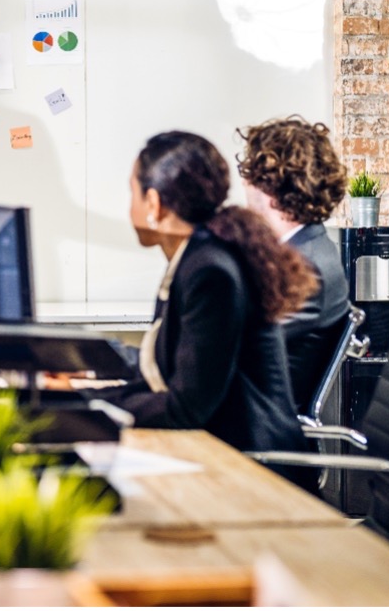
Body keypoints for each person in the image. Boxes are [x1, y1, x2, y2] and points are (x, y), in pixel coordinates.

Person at [97, 131, 317, 465]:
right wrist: (85, 387)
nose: (130, 207)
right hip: (225, 450)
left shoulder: (209, 272)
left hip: (254, 468)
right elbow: (167, 372)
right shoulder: (197, 258)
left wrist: (91, 405)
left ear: (153, 203)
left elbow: (186, 407)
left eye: (133, 193)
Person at [236, 116, 350, 416]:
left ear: (271, 187)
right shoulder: (306, 249)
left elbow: (241, 355)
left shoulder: (306, 266)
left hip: (254, 436)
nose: (244, 184)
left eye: (251, 173)